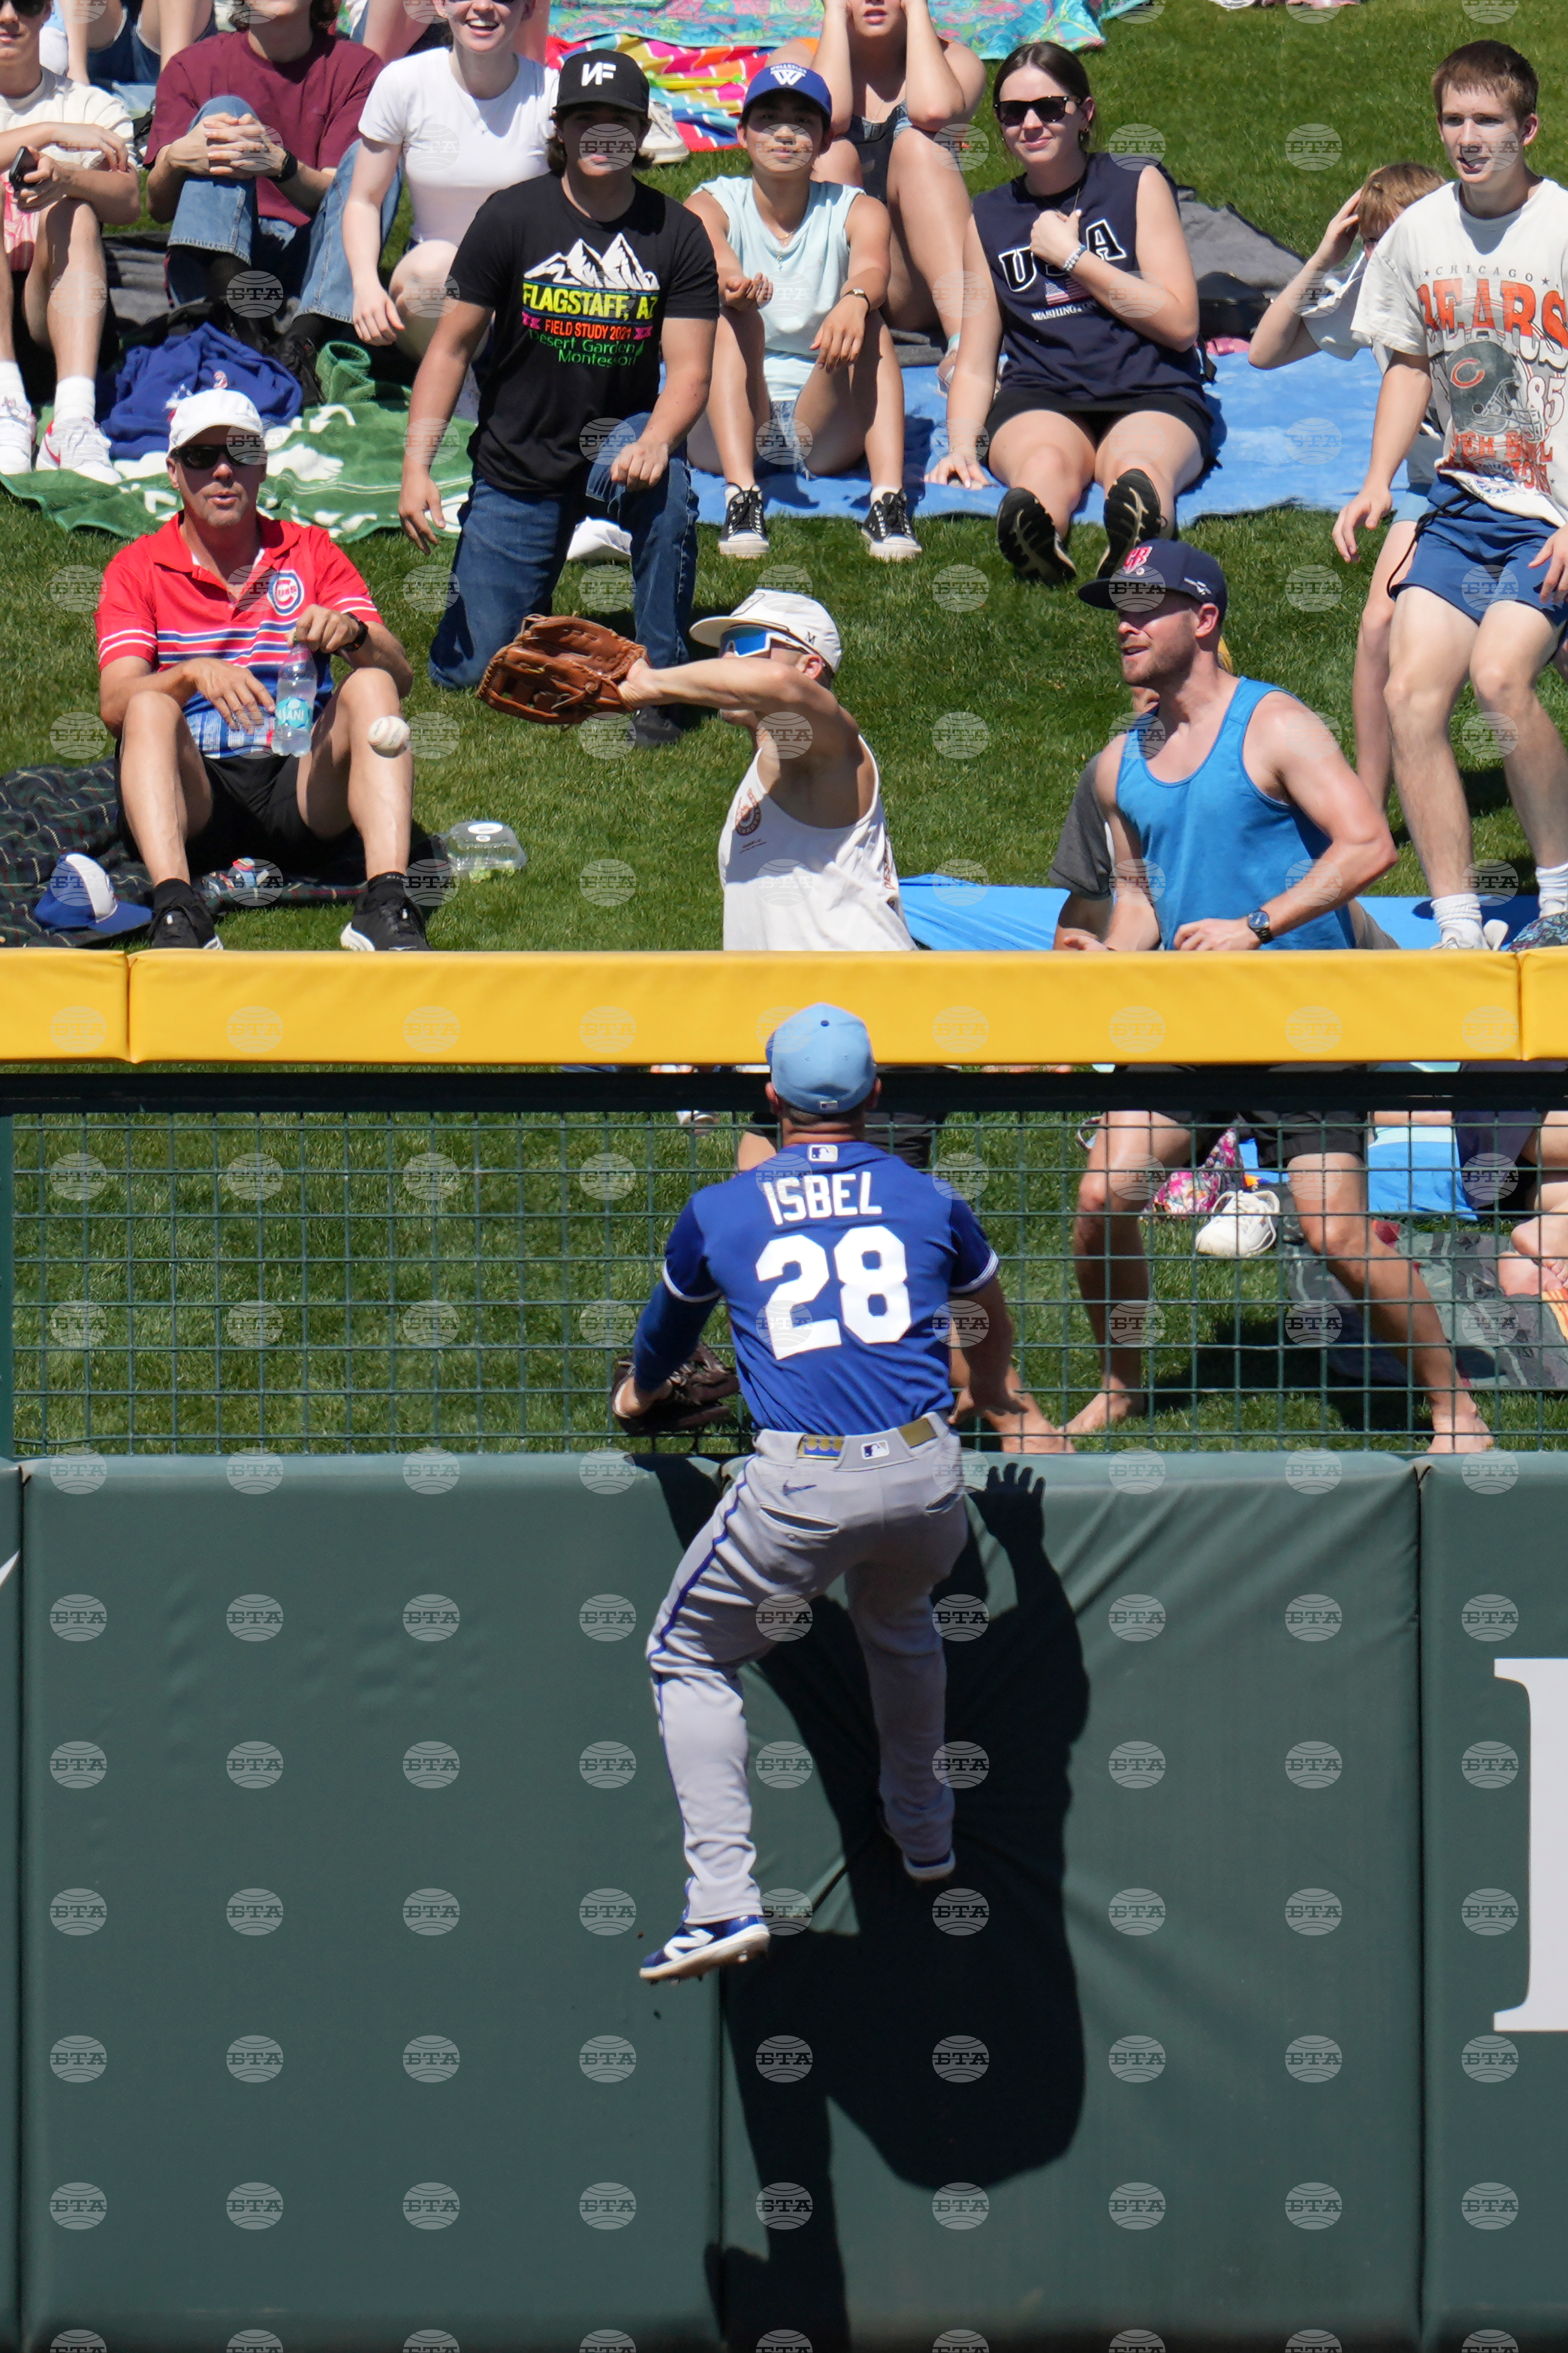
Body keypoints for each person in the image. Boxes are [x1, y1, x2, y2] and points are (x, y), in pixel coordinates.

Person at [621, 1003, 1027, 1981]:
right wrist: (988, 1393)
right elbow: (987, 1313)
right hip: (926, 1478)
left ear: (771, 1097)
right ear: (876, 1094)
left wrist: (638, 1395)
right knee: (902, 1625)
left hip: (801, 1488)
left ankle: (721, 1904)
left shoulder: (723, 1208)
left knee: (687, 1653)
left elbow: (664, 1341)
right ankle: (925, 1836)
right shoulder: (929, 1198)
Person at [1060, 537, 1491, 1453]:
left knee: (1334, 1235)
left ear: (1202, 619)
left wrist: (1254, 926)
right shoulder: (1116, 765)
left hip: (1303, 1026)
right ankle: (1119, 1387)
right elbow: (1138, 901)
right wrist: (1107, 958)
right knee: (1102, 1198)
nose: (1124, 626)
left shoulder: (1274, 723)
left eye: (1143, 608)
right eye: (1117, 611)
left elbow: (1368, 845)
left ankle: (1452, 1403)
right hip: (1189, 1028)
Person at [400, 50, 718, 747]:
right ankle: (542, 618)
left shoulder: (676, 232)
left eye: (618, 121)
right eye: (584, 119)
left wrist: (656, 440)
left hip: (618, 443)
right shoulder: (509, 216)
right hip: (519, 458)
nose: (601, 135)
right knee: (473, 672)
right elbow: (450, 347)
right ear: (560, 130)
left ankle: (663, 683)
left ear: (641, 133)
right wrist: (416, 467)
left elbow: (691, 373)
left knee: (668, 489)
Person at [1333, 41, 1568, 952]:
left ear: (1526, 130)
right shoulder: (1417, 234)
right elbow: (1405, 363)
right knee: (1407, 696)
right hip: (1466, 504)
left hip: (1552, 514)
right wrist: (1373, 480)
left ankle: (1557, 902)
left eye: (1486, 122)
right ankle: (1460, 928)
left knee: (1500, 678)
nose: (1466, 139)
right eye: (1451, 120)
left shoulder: (1559, 228)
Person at [96, 389, 427, 953]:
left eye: (241, 453)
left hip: (300, 782)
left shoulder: (312, 551)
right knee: (149, 705)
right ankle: (177, 909)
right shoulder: (137, 568)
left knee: (370, 682)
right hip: (198, 792)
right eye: (202, 457)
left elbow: (400, 678)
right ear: (174, 472)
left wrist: (354, 634)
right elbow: (115, 705)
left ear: (263, 465)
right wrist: (192, 674)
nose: (223, 470)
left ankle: (387, 902)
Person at [928, 41, 1208, 589]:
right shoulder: (987, 218)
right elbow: (977, 359)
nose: (1031, 124)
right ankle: (1036, 538)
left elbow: (1180, 325)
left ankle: (1138, 537)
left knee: (1138, 468)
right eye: (1013, 113)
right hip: (1042, 392)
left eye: (1050, 108)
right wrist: (960, 446)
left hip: (1150, 385)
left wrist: (1075, 259)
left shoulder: (1134, 181)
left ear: (1085, 113)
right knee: (1042, 469)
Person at [1250, 162, 1445, 812]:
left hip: (1514, 481)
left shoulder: (1470, 284)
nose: (1381, 255)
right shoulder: (1370, 282)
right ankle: (1367, 805)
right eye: (1370, 241)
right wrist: (1323, 258)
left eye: (1393, 240)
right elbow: (1264, 351)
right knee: (1378, 627)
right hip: (1432, 486)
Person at [684, 62, 919, 563]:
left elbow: (873, 269)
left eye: (802, 122)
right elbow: (713, 253)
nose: (785, 134)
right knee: (728, 317)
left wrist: (855, 301)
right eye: (768, 119)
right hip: (730, 419)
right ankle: (741, 495)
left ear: (826, 140)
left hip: (822, 417)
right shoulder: (711, 201)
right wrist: (733, 285)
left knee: (870, 320)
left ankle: (887, 500)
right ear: (742, 134)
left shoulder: (856, 208)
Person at [146, 0, 390, 348]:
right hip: (210, 262)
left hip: (310, 263)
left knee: (375, 162)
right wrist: (174, 161)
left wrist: (279, 165)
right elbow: (157, 207)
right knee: (223, 111)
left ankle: (303, 347)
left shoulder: (358, 68)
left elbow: (344, 194)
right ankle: (240, 331)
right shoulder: (191, 66)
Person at [770, 0, 984, 385]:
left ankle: (966, 351)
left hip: (914, 285)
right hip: (828, 286)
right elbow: (829, 117)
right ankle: (825, 341)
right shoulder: (795, 62)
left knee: (920, 146)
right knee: (830, 150)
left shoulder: (955, 63)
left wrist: (916, 10)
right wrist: (834, 16)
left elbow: (934, 111)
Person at [345, 0, 555, 361]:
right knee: (437, 268)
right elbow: (364, 201)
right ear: (442, 5)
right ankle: (461, 381)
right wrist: (365, 284)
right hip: (433, 279)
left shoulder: (551, 93)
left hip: (523, 282)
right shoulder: (403, 82)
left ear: (527, 8)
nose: (483, 6)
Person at [0, 0, 137, 482]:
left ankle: (73, 422)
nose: (8, 16)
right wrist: (51, 132)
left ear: (46, 12)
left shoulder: (90, 105)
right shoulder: (71, 120)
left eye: (25, 2)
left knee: (74, 211)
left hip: (56, 318)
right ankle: (6, 403)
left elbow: (129, 202)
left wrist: (69, 178)